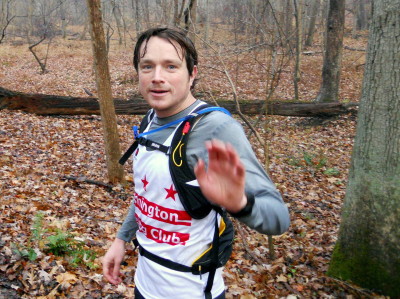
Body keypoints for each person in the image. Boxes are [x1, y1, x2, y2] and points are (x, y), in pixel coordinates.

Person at [102, 27, 290, 299]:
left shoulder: (215, 128)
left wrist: (240, 204)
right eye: (147, 66)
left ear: (192, 74)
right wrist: (121, 239)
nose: (157, 78)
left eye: (171, 66)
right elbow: (148, 193)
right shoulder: (151, 120)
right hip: (144, 284)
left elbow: (279, 218)